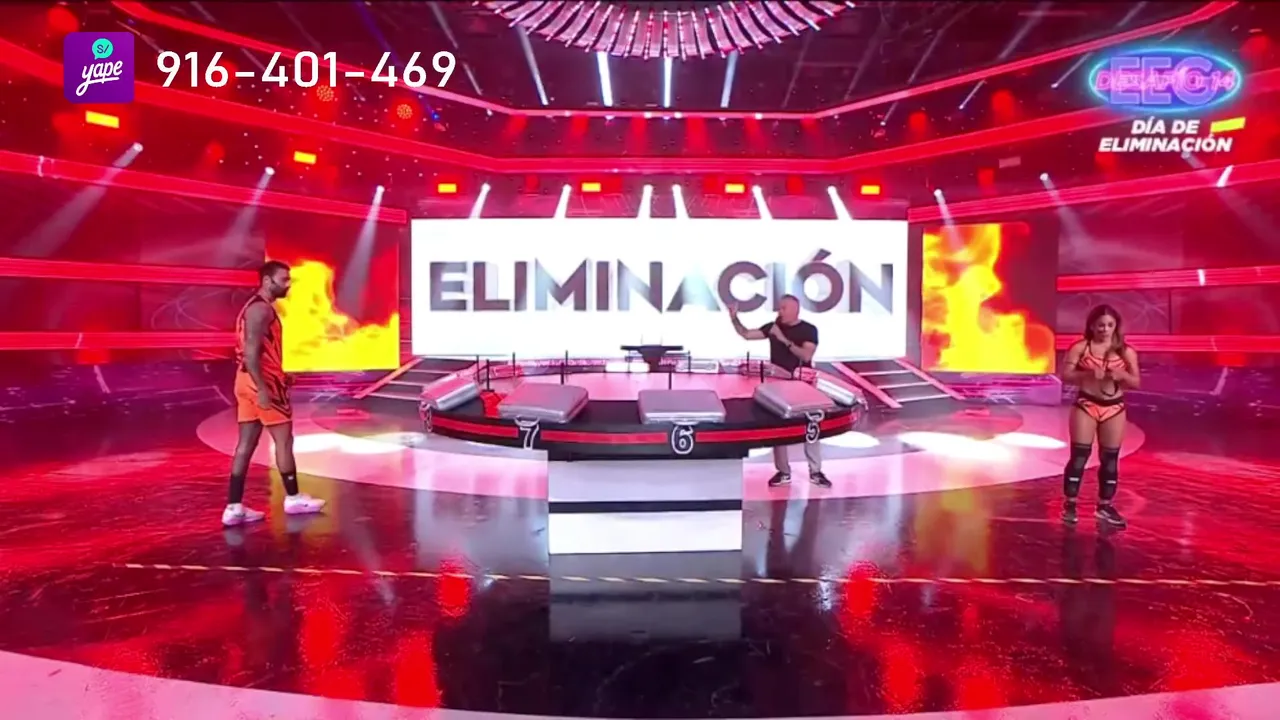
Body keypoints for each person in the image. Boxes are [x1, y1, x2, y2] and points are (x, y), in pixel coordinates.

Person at [222, 260, 326, 526]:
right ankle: (293, 498)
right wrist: (264, 388)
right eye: (284, 280)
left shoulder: (252, 307)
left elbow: (258, 353)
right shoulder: (261, 310)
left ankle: (234, 507)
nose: (288, 285)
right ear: (267, 281)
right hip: (262, 383)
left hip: (246, 380)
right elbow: (251, 353)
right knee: (284, 441)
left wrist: (280, 374)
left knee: (245, 445)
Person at [728, 294, 831, 489]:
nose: (780, 311)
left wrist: (783, 339)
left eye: (784, 308)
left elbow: (806, 355)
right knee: (779, 427)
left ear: (795, 310)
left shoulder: (809, 330)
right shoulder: (773, 327)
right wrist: (734, 318)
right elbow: (746, 334)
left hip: (802, 383)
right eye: (779, 308)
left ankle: (815, 471)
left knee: (811, 424)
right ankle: (783, 471)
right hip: (778, 383)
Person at [1059, 304, 1139, 528]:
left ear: (1116, 326)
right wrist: (1087, 374)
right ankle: (1070, 504)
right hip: (1086, 404)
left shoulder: (1126, 352)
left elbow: (1136, 382)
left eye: (1110, 325)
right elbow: (1065, 375)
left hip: (1114, 408)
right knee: (1079, 456)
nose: (1105, 329)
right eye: (1100, 325)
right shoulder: (1080, 348)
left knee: (1110, 459)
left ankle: (1105, 506)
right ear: (1092, 326)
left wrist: (1122, 375)